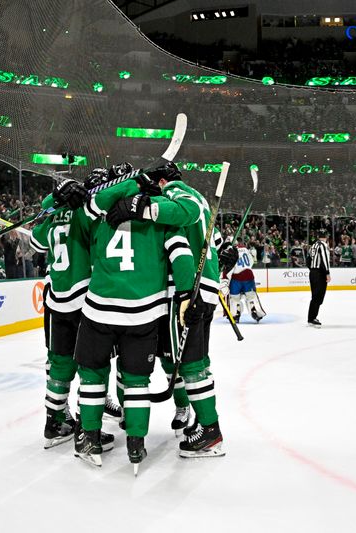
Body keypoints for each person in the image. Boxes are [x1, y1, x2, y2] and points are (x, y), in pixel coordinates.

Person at [77, 164, 197, 469]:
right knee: (137, 380)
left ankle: (89, 437)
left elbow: (88, 206)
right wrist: (185, 296)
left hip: (99, 308)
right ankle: (136, 443)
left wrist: (127, 184)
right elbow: (182, 255)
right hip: (143, 313)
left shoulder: (102, 210)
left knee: (92, 375)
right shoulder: (161, 213)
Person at [105, 162, 227, 460]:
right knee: (196, 359)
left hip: (188, 291)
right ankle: (203, 423)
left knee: (189, 364)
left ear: (161, 182)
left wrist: (143, 207)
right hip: (205, 287)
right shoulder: (199, 197)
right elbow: (215, 240)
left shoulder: (177, 192)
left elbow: (183, 211)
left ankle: (211, 433)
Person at [30, 177, 108, 451]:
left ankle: (55, 420)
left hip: (55, 295)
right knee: (91, 363)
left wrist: (52, 205)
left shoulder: (52, 209)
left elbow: (37, 244)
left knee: (59, 363)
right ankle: (88, 427)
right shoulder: (85, 208)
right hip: (84, 294)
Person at [225, 237, 266, 322]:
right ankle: (256, 312)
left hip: (236, 277)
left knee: (234, 298)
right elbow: (251, 262)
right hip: (248, 275)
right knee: (251, 296)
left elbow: (228, 267)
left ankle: (235, 314)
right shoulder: (245, 249)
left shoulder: (230, 251)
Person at [308, 229, 331, 327]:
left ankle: (311, 317)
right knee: (318, 296)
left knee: (315, 296)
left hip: (313, 273)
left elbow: (308, 259)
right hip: (320, 273)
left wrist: (312, 269)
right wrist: (327, 273)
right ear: (325, 236)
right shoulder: (323, 245)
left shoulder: (313, 245)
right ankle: (312, 318)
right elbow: (325, 260)